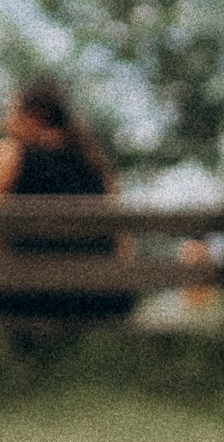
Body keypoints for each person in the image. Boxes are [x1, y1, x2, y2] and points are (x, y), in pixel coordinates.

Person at [0, 81, 133, 328]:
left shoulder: (13, 154)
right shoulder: (95, 163)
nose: (7, 120)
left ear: (36, 116)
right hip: (99, 300)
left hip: (31, 297)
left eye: (12, 111)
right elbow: (121, 240)